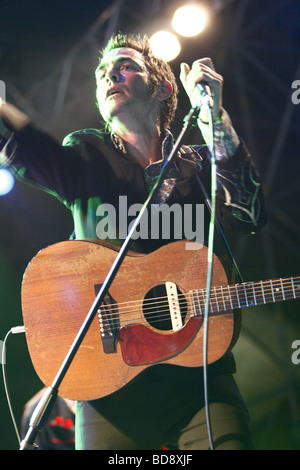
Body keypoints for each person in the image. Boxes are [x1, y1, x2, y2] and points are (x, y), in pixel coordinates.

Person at [0, 33, 265, 450]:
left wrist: (215, 117)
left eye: (126, 66)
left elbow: (249, 214)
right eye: (103, 72)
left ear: (162, 88)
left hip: (201, 382)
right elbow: (25, 147)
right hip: (109, 391)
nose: (110, 76)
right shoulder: (88, 155)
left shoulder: (199, 164)